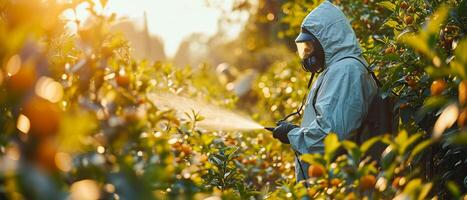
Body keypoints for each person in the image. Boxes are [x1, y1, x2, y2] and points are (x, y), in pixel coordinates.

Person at [271, 0, 378, 181]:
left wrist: (292, 134)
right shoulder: (337, 70)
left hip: (342, 184)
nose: (307, 55)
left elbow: (330, 138)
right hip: (332, 183)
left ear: (326, 40)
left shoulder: (346, 72)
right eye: (304, 49)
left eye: (309, 47)